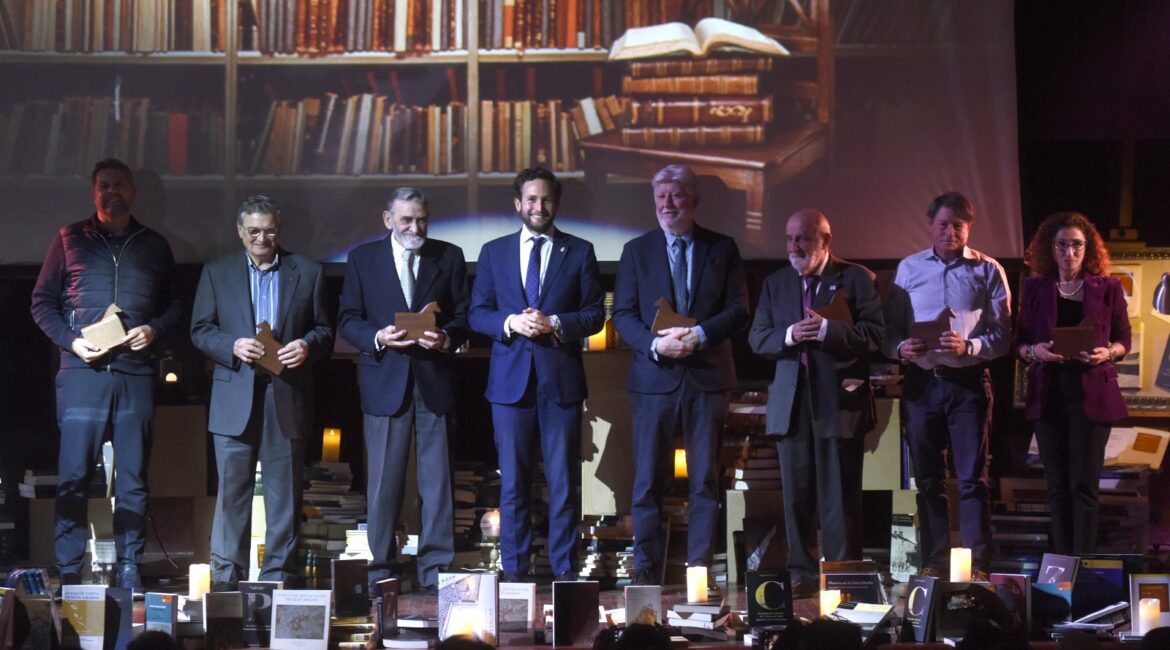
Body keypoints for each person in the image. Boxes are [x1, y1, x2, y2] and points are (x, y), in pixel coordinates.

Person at [30, 158, 183, 591]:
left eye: (118, 184)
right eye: (102, 185)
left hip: (134, 375)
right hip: (82, 373)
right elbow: (42, 303)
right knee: (75, 475)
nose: (110, 192)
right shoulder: (68, 239)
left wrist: (153, 330)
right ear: (93, 192)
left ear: (132, 191)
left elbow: (175, 307)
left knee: (133, 478)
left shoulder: (155, 244)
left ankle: (129, 566)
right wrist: (71, 341)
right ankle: (68, 567)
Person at [612, 164, 749, 585]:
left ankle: (699, 569)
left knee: (704, 481)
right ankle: (646, 572)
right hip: (654, 381)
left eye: (675, 196)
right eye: (660, 197)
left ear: (693, 200)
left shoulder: (721, 248)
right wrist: (657, 344)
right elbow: (622, 315)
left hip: (706, 379)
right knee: (647, 482)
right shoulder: (637, 251)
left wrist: (699, 336)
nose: (667, 204)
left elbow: (739, 310)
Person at [190, 195, 334, 589]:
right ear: (240, 231)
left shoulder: (307, 271)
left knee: (283, 498)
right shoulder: (217, 272)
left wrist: (308, 345)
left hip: (286, 395)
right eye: (253, 231)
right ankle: (226, 581)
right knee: (231, 497)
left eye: (268, 230)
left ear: (279, 228)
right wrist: (232, 345)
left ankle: (277, 580)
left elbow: (324, 329)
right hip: (234, 395)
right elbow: (199, 329)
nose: (261, 237)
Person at [468, 167, 605, 582]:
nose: (538, 207)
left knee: (563, 485)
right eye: (531, 200)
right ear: (518, 204)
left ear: (556, 204)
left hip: (559, 383)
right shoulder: (494, 252)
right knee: (512, 486)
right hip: (509, 386)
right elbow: (478, 313)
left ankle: (564, 570)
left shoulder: (579, 251)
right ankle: (515, 572)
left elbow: (595, 314)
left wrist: (555, 323)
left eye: (546, 200)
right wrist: (511, 323)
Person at [338, 187, 469, 593]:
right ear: (387, 219)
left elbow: (466, 314)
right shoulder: (363, 259)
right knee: (383, 484)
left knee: (438, 483)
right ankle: (382, 570)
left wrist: (446, 338)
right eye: (407, 220)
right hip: (384, 381)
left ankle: (436, 570)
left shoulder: (448, 256)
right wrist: (377, 337)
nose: (416, 227)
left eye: (422, 220)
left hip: (434, 382)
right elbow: (348, 319)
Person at [747, 209, 884, 596]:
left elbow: (875, 335)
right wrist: (789, 334)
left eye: (804, 238)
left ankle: (843, 577)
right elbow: (758, 338)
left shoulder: (856, 278)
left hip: (838, 403)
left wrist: (828, 330)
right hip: (791, 404)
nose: (794, 246)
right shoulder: (775, 284)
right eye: (790, 238)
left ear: (825, 241)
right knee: (796, 497)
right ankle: (802, 576)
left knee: (839, 498)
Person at [882, 191, 1011, 578]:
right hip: (922, 384)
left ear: (968, 228)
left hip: (968, 383)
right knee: (928, 481)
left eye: (958, 225)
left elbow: (1004, 336)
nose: (950, 231)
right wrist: (901, 347)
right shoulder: (908, 269)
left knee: (972, 480)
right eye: (943, 224)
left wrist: (969, 344)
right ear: (931, 226)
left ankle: (976, 565)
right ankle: (936, 562)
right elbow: (890, 330)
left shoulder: (988, 270)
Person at [1016, 212, 1129, 554]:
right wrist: (1034, 351)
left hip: (1091, 395)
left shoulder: (1107, 288)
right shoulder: (1036, 288)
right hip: (1049, 395)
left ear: (1088, 248)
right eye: (1062, 245)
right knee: (1057, 487)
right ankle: (1062, 565)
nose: (1069, 253)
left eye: (1077, 245)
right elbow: (1019, 344)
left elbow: (1124, 340)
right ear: (1050, 248)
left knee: (1084, 485)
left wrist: (1106, 353)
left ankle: (1084, 564)